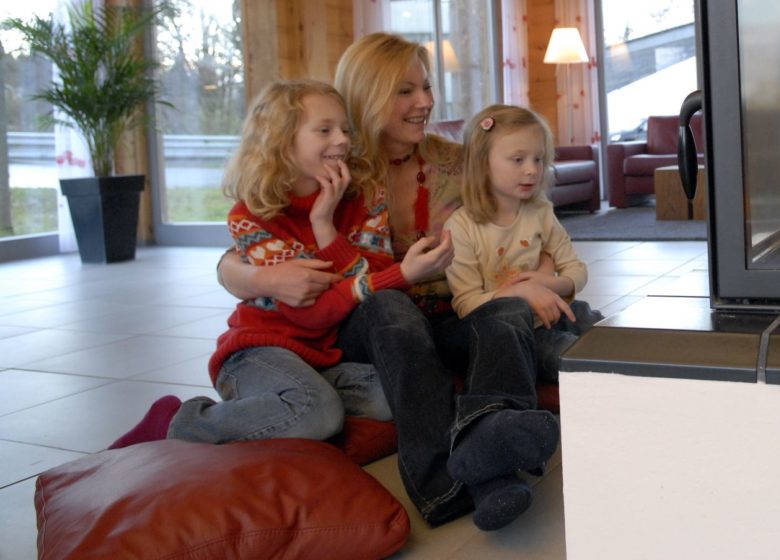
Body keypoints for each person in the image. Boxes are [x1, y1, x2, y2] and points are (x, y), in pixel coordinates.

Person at [214, 33, 559, 532]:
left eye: (426, 87)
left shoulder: (457, 162)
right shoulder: (339, 172)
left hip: (450, 312)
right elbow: (244, 255)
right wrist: (253, 274)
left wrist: (542, 271)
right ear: (368, 96)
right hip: (369, 321)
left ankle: (492, 452)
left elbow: (531, 215)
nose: (424, 102)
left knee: (514, 319)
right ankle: (442, 483)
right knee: (391, 311)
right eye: (404, 91)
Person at [110, 80, 402, 450]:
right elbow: (307, 306)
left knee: (396, 395)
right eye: (324, 130)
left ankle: (276, 405)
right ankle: (175, 421)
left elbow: (377, 285)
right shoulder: (250, 215)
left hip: (322, 356)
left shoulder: (366, 196)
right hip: (258, 350)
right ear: (282, 140)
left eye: (345, 129)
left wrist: (324, 225)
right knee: (318, 414)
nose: (342, 140)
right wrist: (334, 250)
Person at [445, 104, 600, 383]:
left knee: (606, 331)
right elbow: (467, 305)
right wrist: (522, 292)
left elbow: (576, 269)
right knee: (572, 355)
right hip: (516, 334)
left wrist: (553, 284)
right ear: (482, 162)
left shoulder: (540, 211)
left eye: (538, 159)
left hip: (556, 312)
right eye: (518, 160)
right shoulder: (461, 227)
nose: (532, 170)